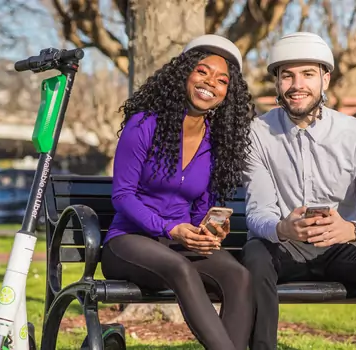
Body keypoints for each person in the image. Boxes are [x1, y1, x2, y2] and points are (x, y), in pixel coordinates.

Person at [240, 32, 356, 350]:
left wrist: (350, 229)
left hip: (341, 250)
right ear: (277, 82)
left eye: (308, 74)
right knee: (254, 254)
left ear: (325, 78)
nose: (297, 85)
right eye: (287, 75)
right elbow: (258, 213)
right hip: (285, 249)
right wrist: (282, 227)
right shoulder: (258, 135)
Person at [101, 34, 257, 350]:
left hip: (180, 242)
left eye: (222, 80)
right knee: (181, 268)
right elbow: (123, 195)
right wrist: (170, 228)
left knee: (238, 277)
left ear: (228, 93)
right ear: (184, 73)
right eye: (202, 71)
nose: (210, 83)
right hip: (129, 242)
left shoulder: (217, 143)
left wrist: (209, 229)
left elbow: (200, 208)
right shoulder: (144, 124)